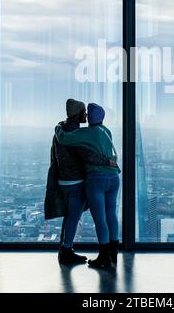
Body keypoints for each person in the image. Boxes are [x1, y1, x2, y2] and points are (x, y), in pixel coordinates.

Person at [55, 103, 120, 268]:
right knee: (111, 214)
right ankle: (113, 252)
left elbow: (63, 138)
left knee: (100, 219)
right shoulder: (107, 131)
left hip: (97, 179)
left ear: (89, 117)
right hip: (113, 178)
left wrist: (57, 127)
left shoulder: (85, 133)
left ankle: (103, 256)